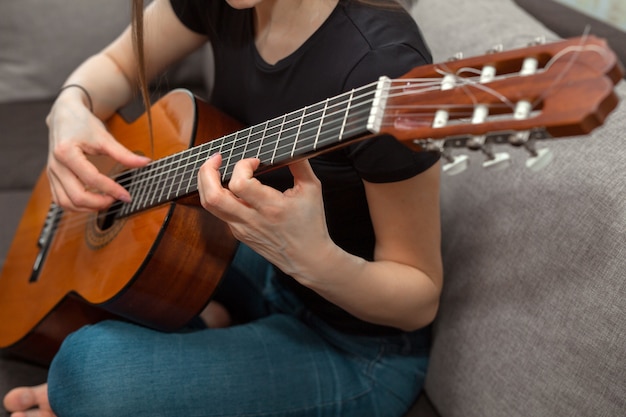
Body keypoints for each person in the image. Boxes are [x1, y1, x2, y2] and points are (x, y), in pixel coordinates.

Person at [3, 0, 442, 416]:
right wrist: (69, 107)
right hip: (256, 253)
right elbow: (116, 66)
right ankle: (213, 317)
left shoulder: (386, 65)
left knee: (84, 372)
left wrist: (315, 260)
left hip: (356, 347)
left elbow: (418, 299)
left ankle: (208, 322)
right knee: (120, 263)